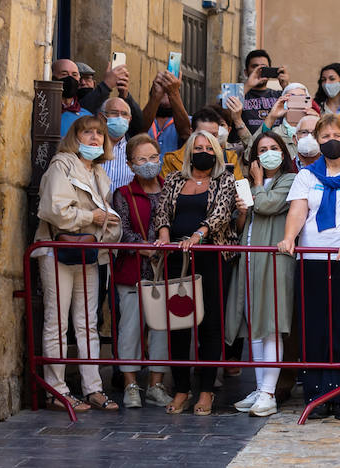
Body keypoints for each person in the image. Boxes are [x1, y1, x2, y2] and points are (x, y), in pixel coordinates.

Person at [278, 114, 340, 421]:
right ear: (317, 142)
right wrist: (289, 238)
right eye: (324, 136)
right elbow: (298, 210)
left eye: (336, 134)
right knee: (314, 327)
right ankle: (317, 393)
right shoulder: (307, 175)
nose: (330, 140)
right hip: (313, 259)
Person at [35, 115, 122, 413]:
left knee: (88, 324)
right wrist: (92, 218)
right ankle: (56, 390)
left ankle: (93, 388)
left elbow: (104, 215)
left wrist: (106, 226)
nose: (95, 138)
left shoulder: (99, 173)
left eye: (100, 133)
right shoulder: (62, 165)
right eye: (88, 132)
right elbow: (55, 210)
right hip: (57, 251)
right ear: (76, 136)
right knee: (56, 321)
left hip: (88, 253)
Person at [151, 129, 238, 415]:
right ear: (189, 152)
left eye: (209, 148)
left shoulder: (224, 178)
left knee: (210, 325)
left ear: (216, 152)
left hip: (211, 257)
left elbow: (222, 213)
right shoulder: (175, 178)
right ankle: (180, 389)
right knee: (178, 324)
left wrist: (198, 236)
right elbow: (162, 211)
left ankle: (206, 391)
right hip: (177, 257)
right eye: (198, 147)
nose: (204, 152)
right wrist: (164, 237)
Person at [225, 130, 298, 417]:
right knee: (254, 323)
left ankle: (269, 392)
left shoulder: (290, 180)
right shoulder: (246, 184)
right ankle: (259, 388)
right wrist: (242, 211)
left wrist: (256, 184)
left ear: (283, 152)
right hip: (249, 258)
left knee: (271, 322)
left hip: (274, 259)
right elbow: (241, 223)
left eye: (273, 147)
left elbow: (267, 205)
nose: (268, 153)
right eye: (262, 148)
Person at [110, 134, 171, 409]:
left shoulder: (171, 189)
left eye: (153, 158)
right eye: (142, 159)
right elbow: (120, 229)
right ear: (130, 164)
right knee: (130, 328)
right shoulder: (123, 193)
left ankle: (156, 385)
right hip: (133, 270)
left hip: (164, 272)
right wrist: (142, 246)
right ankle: (130, 384)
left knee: (161, 328)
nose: (149, 164)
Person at [161, 108, 240, 178]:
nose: (209, 139)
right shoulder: (172, 160)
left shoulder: (229, 158)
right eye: (203, 134)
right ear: (192, 132)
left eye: (214, 135)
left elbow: (241, 191)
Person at [146, 69, 192, 156]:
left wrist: (173, 92)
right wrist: (156, 96)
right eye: (163, 89)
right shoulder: (145, 117)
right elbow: (139, 130)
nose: (165, 92)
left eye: (168, 90)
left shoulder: (188, 120)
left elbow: (186, 133)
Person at [241, 50, 283, 134]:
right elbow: (224, 114)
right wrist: (247, 86)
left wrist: (286, 86)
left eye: (264, 67)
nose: (259, 70)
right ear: (246, 72)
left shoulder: (280, 95)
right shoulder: (238, 93)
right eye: (255, 66)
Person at [100, 96, 135, 189]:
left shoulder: (135, 151)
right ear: (102, 117)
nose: (120, 117)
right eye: (114, 113)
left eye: (124, 114)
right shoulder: (91, 148)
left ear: (129, 119)